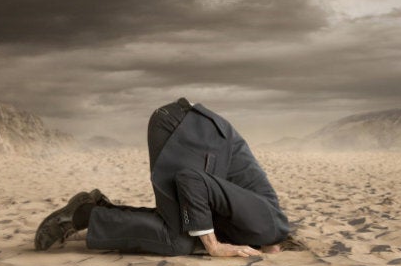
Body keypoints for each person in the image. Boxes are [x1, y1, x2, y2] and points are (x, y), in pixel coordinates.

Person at [35, 98, 290, 257]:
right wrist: (214, 247)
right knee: (177, 241)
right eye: (272, 253)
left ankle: (96, 210)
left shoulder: (258, 227)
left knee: (185, 235)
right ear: (278, 245)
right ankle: (85, 214)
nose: (266, 254)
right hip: (181, 128)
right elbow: (191, 180)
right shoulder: (266, 225)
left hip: (192, 130)